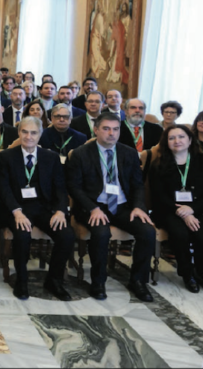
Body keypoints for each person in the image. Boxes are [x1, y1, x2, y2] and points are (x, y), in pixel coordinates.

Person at [65, 112, 156, 302]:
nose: (111, 134)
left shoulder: (129, 153)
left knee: (147, 232)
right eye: (106, 129)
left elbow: (138, 184)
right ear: (96, 130)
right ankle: (98, 282)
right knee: (101, 232)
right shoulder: (81, 153)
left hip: (123, 206)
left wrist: (139, 206)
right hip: (93, 206)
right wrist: (92, 208)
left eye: (115, 129)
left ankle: (138, 281)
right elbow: (74, 187)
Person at [0, 117, 74, 301]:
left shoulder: (51, 157)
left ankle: (54, 280)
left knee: (66, 235)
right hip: (15, 208)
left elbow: (60, 188)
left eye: (33, 133)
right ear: (19, 133)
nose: (29, 137)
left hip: (43, 207)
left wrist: (61, 211)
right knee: (22, 234)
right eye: (25, 132)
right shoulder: (6, 156)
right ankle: (21, 281)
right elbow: (3, 189)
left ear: (40, 135)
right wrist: (17, 212)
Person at [148, 125, 203, 294]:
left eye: (181, 137)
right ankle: (187, 273)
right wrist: (182, 212)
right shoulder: (159, 164)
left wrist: (191, 209)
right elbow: (158, 195)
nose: (177, 141)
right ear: (166, 142)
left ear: (189, 140)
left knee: (202, 236)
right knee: (179, 233)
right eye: (172, 138)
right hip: (169, 210)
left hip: (201, 209)